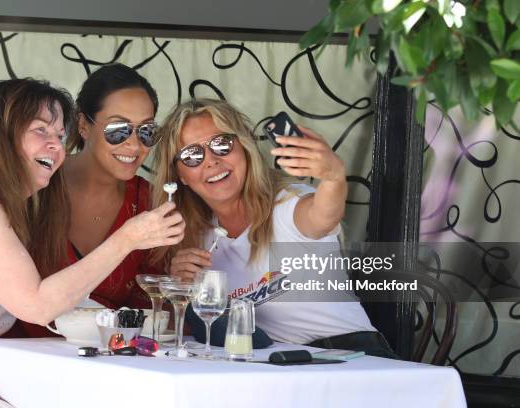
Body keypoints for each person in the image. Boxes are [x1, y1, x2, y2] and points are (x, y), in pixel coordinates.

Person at [0, 78, 184, 405]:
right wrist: (126, 239)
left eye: (59, 135)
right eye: (40, 130)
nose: (56, 146)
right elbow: (37, 305)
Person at [151, 98, 396, 358]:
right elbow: (200, 326)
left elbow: (324, 216)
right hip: (279, 362)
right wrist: (181, 286)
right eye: (191, 155)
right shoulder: (195, 236)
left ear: (244, 147)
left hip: (352, 354)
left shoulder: (287, 203)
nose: (210, 160)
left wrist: (333, 177)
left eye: (222, 144)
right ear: (180, 176)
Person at [11, 63, 167, 338]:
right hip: (17, 359)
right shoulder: (34, 185)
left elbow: (149, 311)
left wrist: (171, 279)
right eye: (118, 129)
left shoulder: (151, 202)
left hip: (106, 365)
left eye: (146, 131)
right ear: (84, 125)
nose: (134, 144)